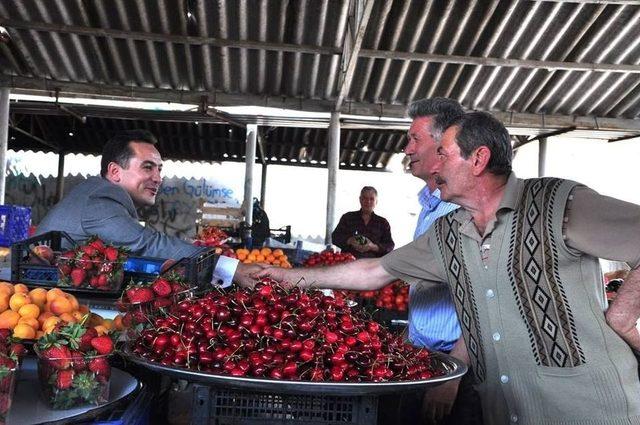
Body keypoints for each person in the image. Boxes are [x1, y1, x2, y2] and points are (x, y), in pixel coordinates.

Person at [253, 111, 640, 425]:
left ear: (478, 159)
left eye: (443, 153)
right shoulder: (448, 232)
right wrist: (283, 277)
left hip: (591, 411)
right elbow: (374, 272)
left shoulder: (559, 203)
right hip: (505, 411)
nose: (432, 165)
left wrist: (623, 318)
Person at [36, 129, 255, 286]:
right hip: (47, 299)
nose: (158, 178)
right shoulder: (100, 199)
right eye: (148, 167)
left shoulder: (99, 193)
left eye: (159, 169)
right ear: (114, 172)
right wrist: (230, 268)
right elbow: (146, 244)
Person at [402, 98, 481, 425]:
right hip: (425, 359)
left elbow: (482, 298)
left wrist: (453, 374)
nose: (407, 149)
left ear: (444, 148)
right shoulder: (430, 206)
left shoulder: (465, 211)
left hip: (454, 368)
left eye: (414, 139)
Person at [331, 186, 394, 258]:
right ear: (360, 200)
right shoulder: (347, 218)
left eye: (372, 199)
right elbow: (335, 237)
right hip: (349, 263)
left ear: (376, 201)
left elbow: (390, 246)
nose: (368, 202)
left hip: (373, 265)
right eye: (365, 198)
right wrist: (350, 240)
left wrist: (373, 247)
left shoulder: (383, 223)